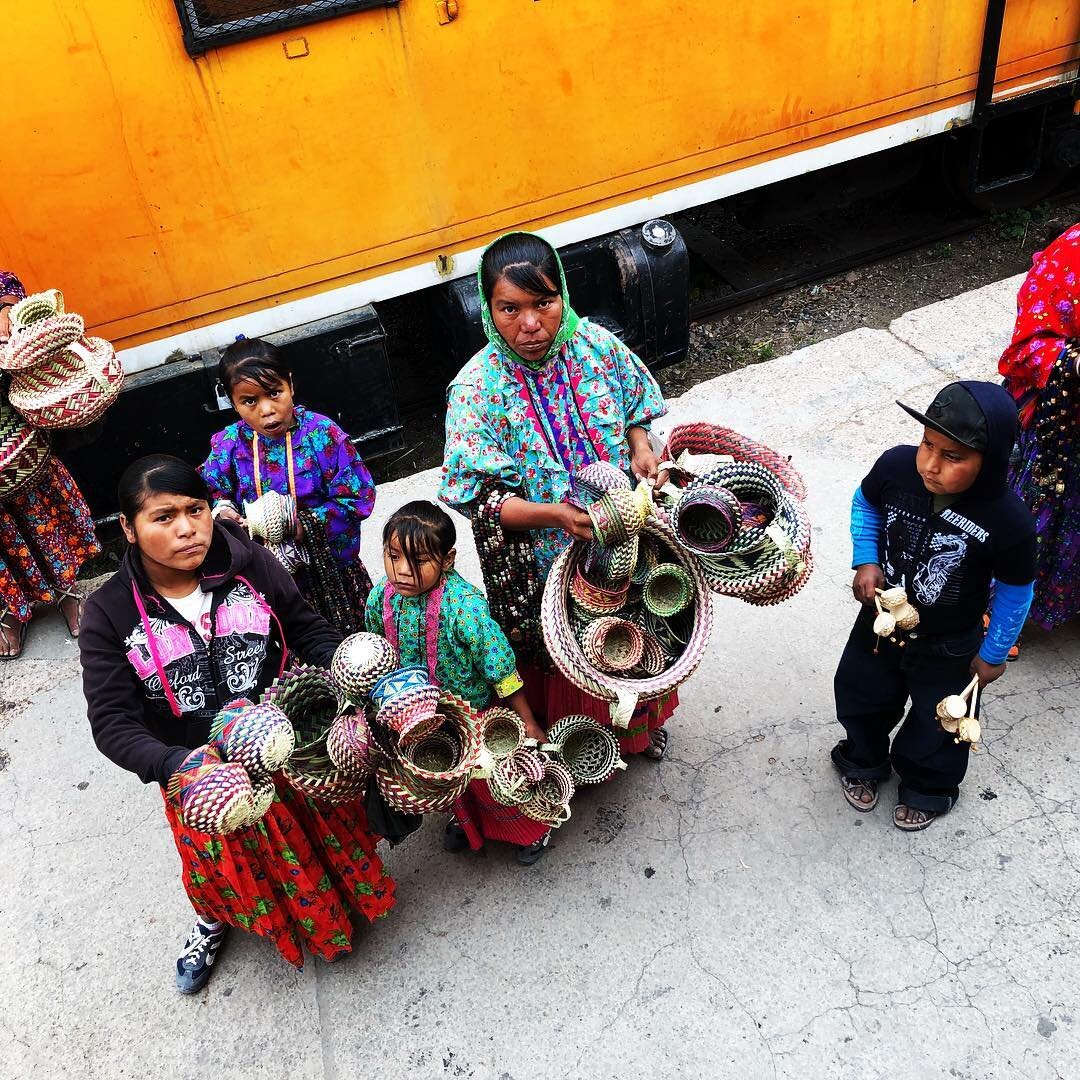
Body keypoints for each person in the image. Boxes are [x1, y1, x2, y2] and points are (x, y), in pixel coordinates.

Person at [79, 455, 394, 993]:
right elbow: (111, 721)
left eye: (196, 510)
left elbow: (305, 630)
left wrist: (355, 667)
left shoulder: (250, 564)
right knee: (224, 868)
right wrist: (177, 764)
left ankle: (331, 902)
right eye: (164, 517)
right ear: (128, 529)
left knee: (312, 849)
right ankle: (212, 920)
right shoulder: (107, 613)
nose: (187, 529)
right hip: (200, 774)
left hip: (283, 750)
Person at [439, 232, 675, 759]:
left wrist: (640, 446)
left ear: (563, 293)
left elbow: (636, 410)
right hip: (547, 563)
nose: (529, 324)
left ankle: (638, 725)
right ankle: (587, 745)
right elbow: (483, 501)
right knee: (570, 653)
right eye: (510, 308)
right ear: (488, 308)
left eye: (544, 302)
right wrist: (557, 516)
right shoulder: (476, 389)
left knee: (641, 623)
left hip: (626, 536)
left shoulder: (596, 346)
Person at [831, 382, 1035, 831]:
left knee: (940, 724)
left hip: (950, 645)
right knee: (861, 693)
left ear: (992, 462)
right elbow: (866, 504)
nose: (931, 464)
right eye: (928, 444)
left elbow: (1016, 591)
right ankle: (862, 759)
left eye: (953, 457)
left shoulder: (1009, 520)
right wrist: (866, 558)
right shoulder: (896, 467)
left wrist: (993, 653)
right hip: (881, 623)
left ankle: (927, 786)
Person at [365, 500, 553, 864]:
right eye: (393, 556)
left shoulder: (463, 607)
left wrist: (527, 721)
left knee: (493, 782)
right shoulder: (380, 599)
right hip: (422, 719)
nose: (402, 570)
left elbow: (499, 665)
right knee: (449, 782)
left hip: (476, 714)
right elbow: (379, 652)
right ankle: (469, 826)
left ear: (447, 560)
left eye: (418, 561)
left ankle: (532, 830)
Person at [200, 337, 376, 634]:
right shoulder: (229, 445)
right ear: (232, 402)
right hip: (265, 577)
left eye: (274, 393)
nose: (267, 409)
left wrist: (304, 524)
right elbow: (211, 490)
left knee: (347, 644)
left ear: (290, 385)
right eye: (250, 401)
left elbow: (358, 495)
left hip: (331, 574)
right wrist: (224, 511)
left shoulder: (322, 435)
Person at [0, 270, 99, 657]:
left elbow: (11, 296)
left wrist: (7, 315)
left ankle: (65, 591)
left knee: (40, 513)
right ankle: (12, 610)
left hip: (13, 431)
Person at [998, 221, 1080, 631]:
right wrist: (1075, 362)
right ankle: (999, 619)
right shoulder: (1071, 255)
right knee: (1027, 527)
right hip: (1059, 432)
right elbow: (1027, 347)